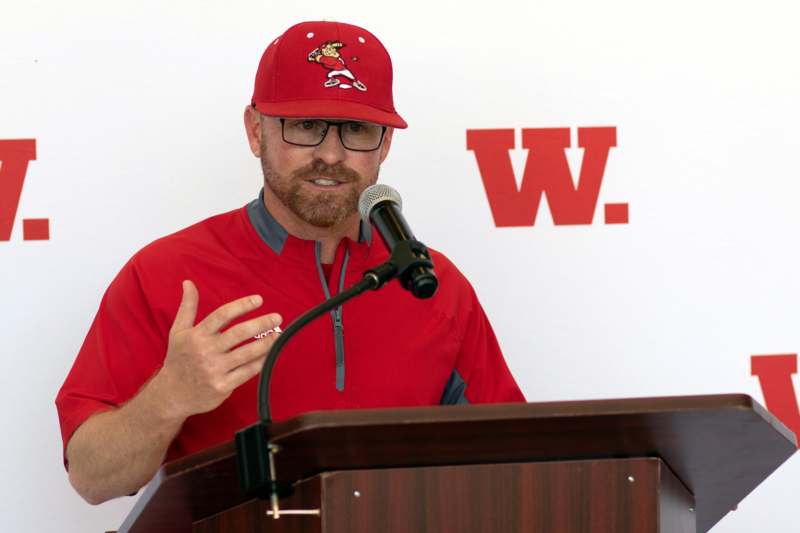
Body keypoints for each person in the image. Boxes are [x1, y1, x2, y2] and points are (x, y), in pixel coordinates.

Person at [55, 20, 524, 506]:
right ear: (256, 131)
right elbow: (92, 477)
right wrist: (169, 397)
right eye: (305, 126)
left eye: (357, 131)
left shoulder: (431, 284)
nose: (330, 154)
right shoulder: (165, 275)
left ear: (385, 145)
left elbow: (515, 461)